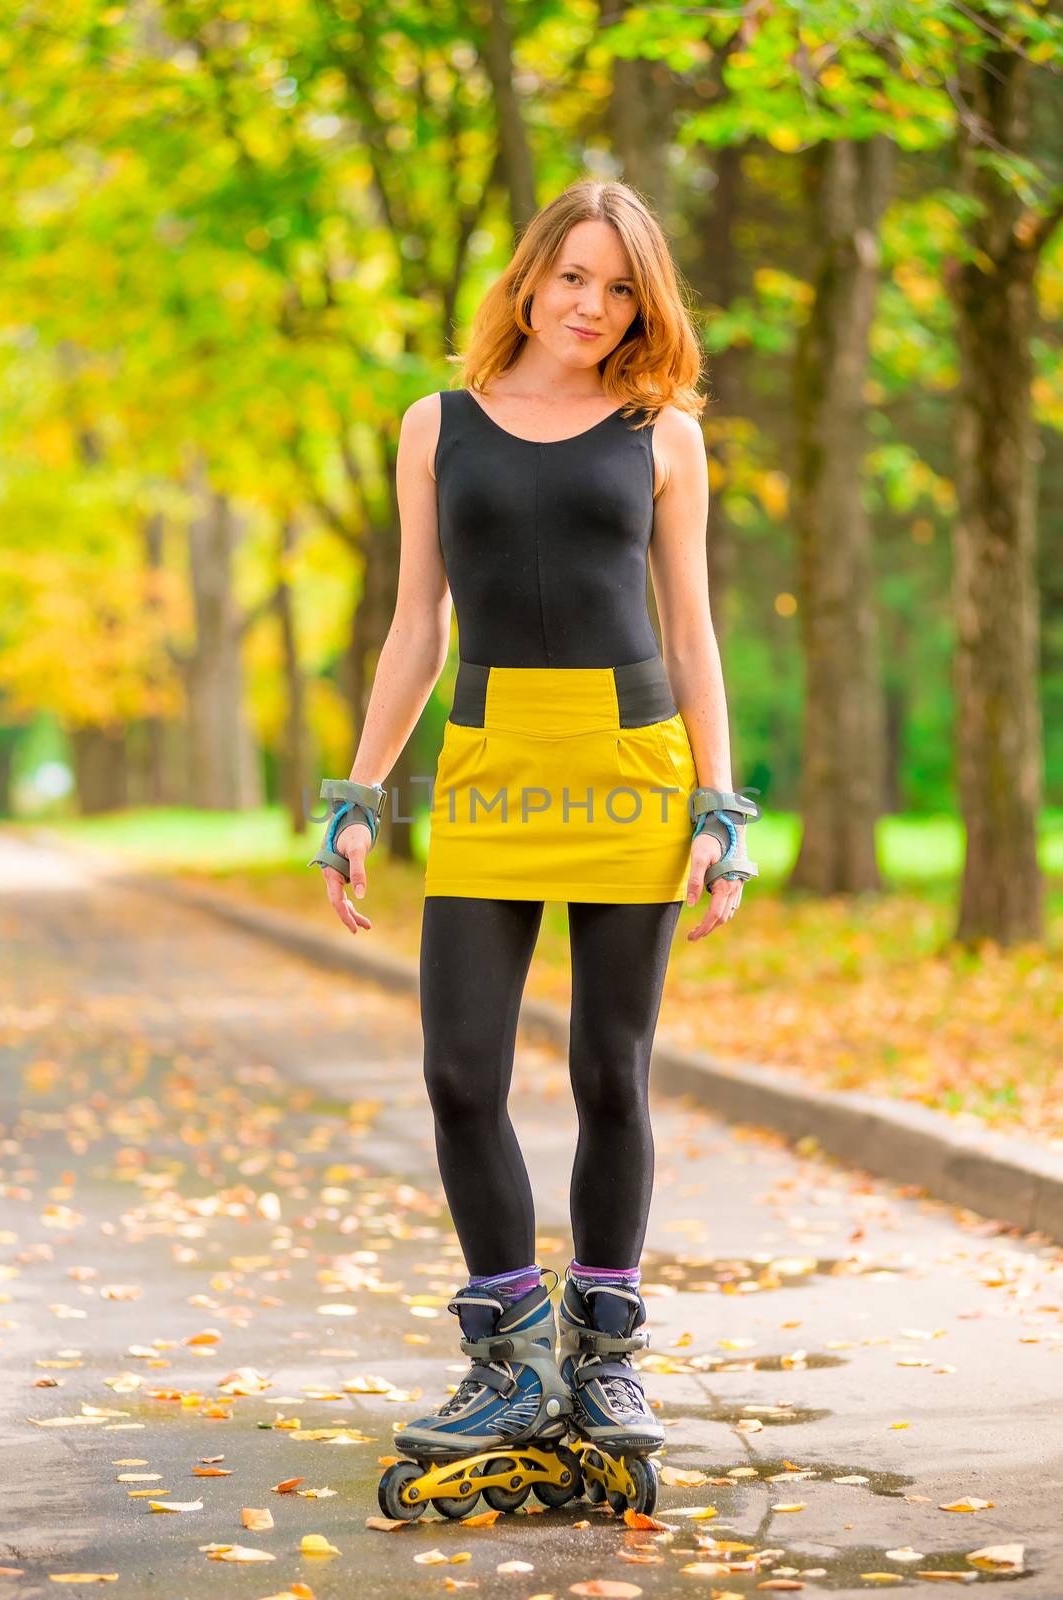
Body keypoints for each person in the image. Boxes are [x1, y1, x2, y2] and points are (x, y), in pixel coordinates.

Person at [309, 179, 759, 1493]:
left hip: (633, 764)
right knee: (461, 1072)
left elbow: (692, 627)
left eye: (621, 289)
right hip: (494, 767)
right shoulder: (435, 426)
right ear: (530, 276)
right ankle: (506, 1354)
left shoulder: (662, 432)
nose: (593, 307)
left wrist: (718, 807)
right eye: (575, 277)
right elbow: (418, 624)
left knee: (610, 1074)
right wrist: (358, 794)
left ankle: (606, 1344)